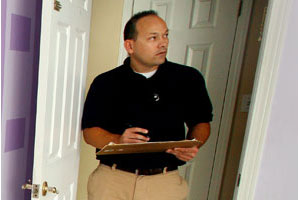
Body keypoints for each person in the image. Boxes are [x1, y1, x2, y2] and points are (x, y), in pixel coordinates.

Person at [81, 10, 213, 200]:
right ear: (130, 45)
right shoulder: (106, 82)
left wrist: (193, 145)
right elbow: (90, 133)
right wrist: (118, 140)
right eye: (153, 37)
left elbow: (201, 123)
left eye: (165, 35)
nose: (163, 42)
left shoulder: (188, 78)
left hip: (164, 183)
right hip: (112, 182)